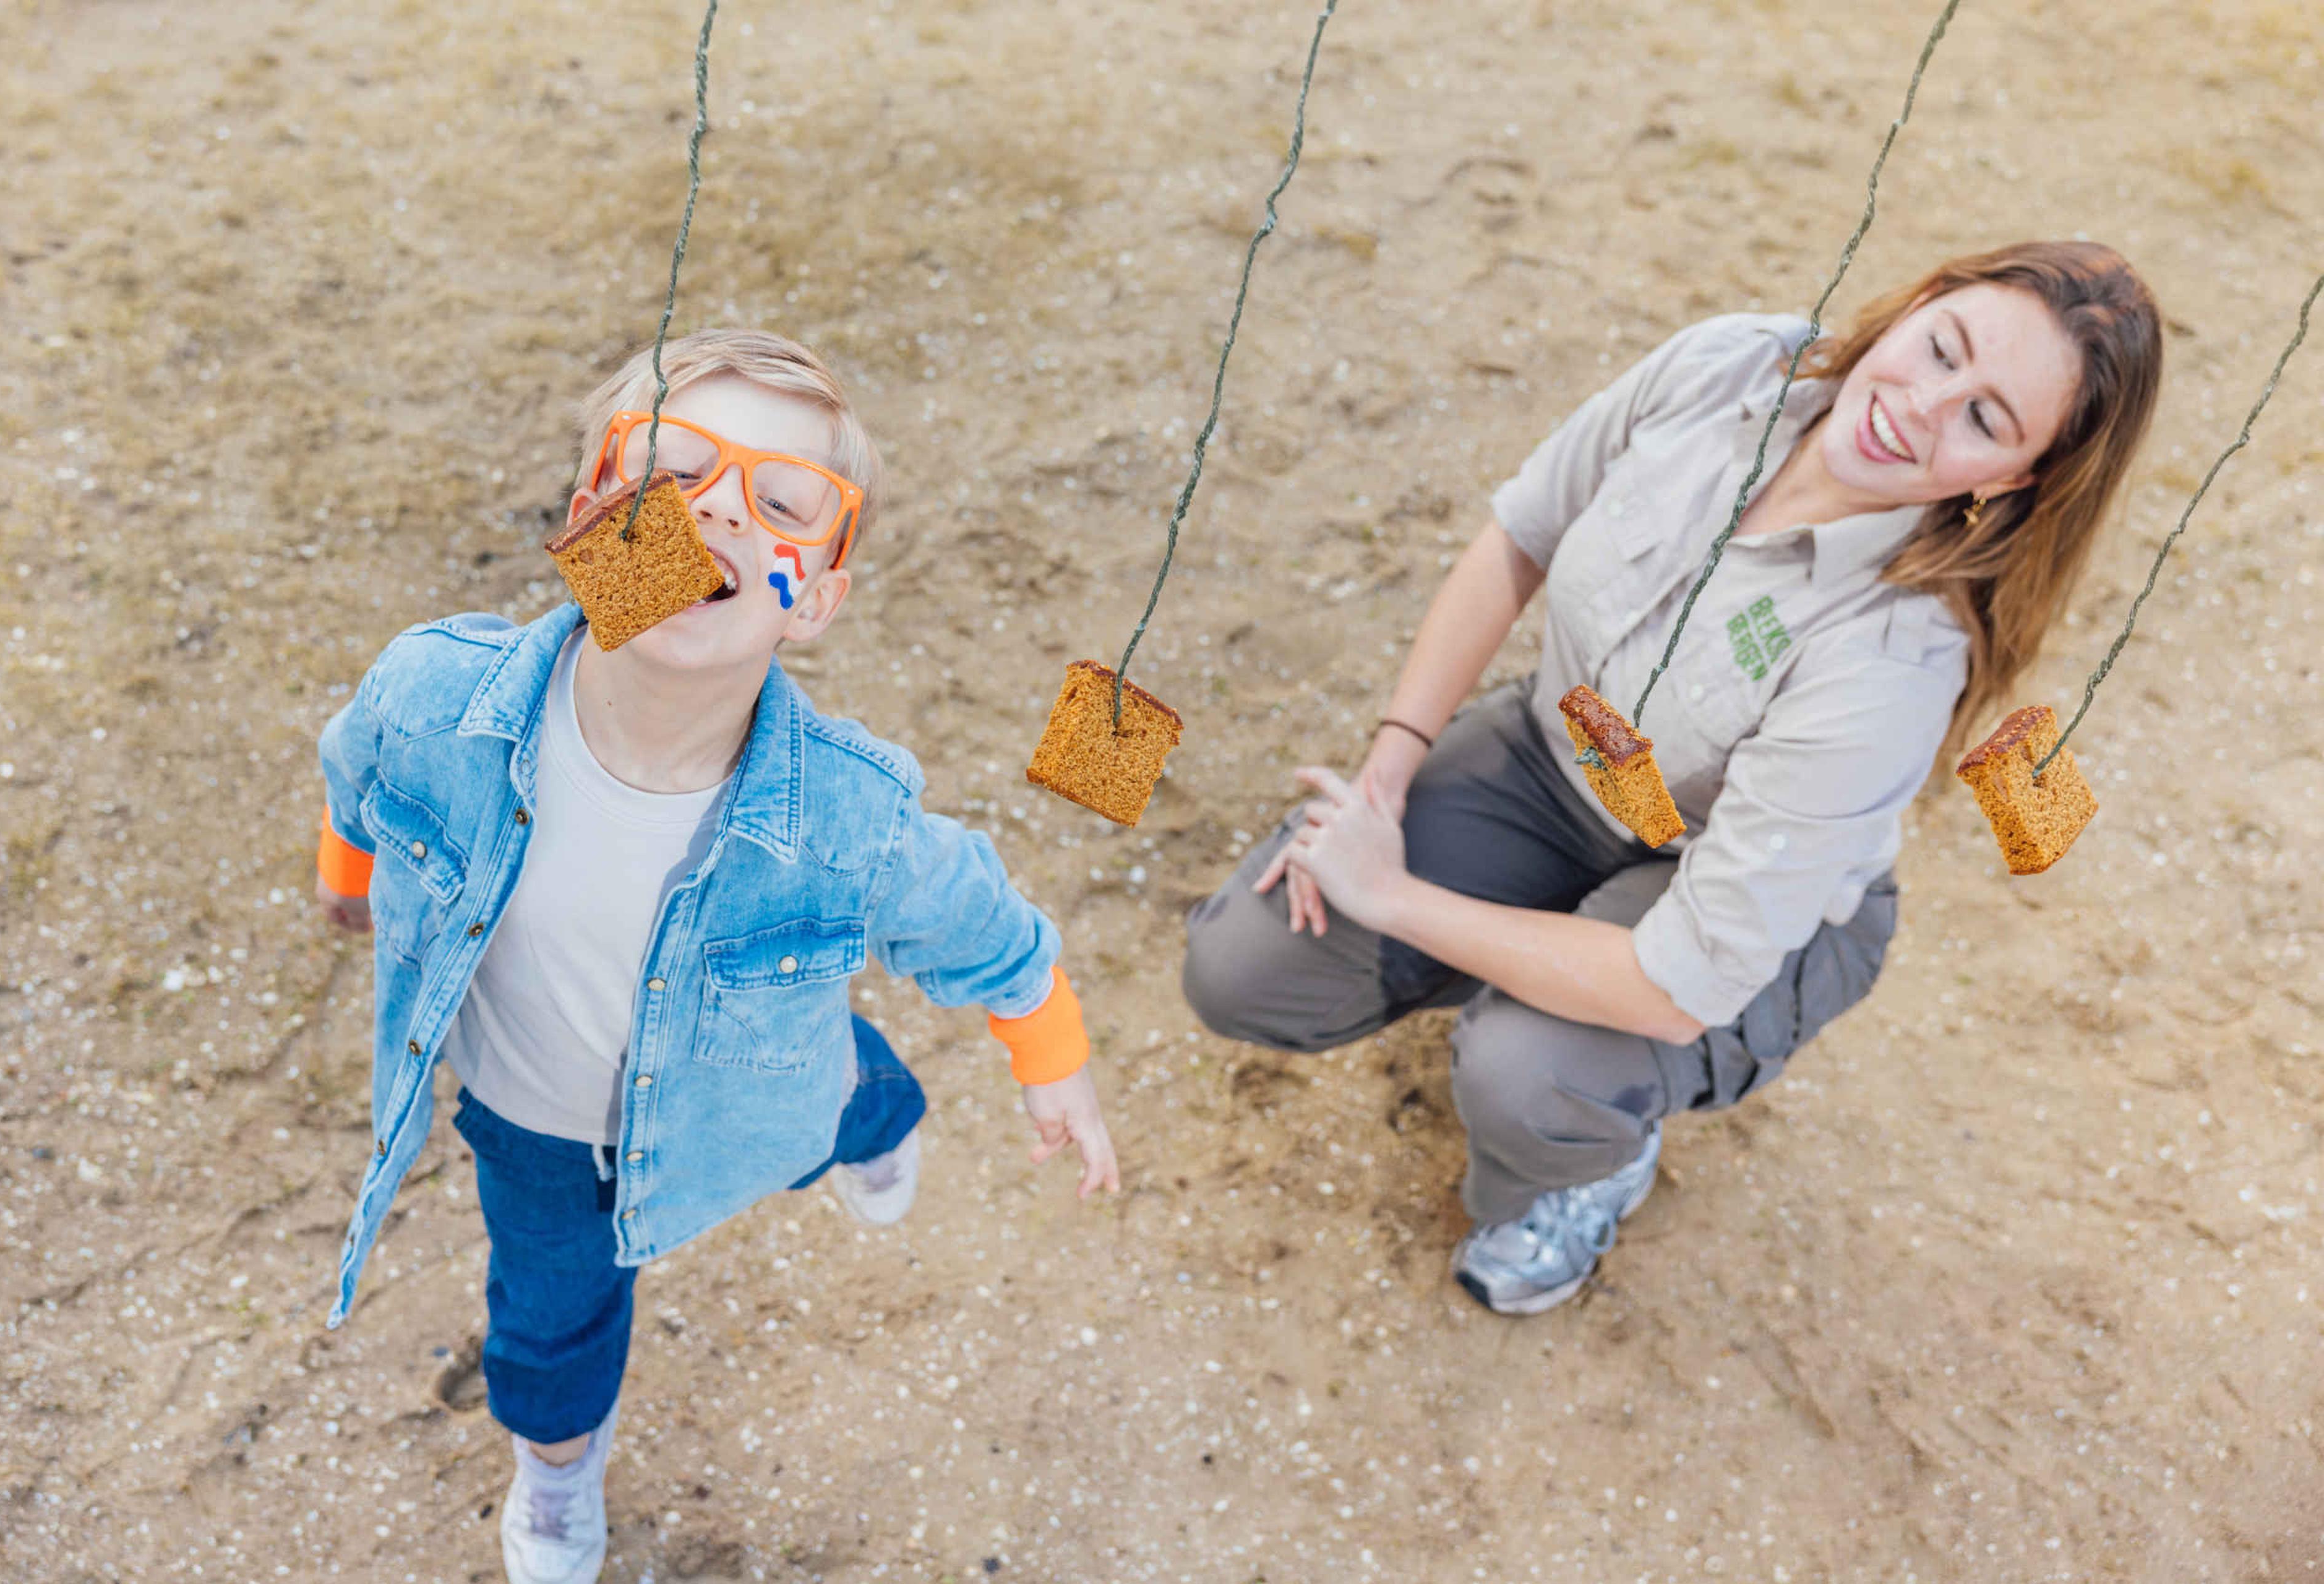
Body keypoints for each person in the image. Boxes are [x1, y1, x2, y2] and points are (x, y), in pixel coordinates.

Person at [1182, 241, 2161, 1317]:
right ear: (1919, 303)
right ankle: (1533, 951)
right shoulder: (1730, 366)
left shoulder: (1899, 654)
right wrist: (1390, 771)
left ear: (2015, 478)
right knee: (1244, 967)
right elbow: (1524, 532)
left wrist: (1397, 895)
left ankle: (1588, 1148)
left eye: (1985, 418)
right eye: (1942, 348)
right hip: (1553, 765)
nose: (1922, 406)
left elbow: (1677, 979)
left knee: (1528, 1073)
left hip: (1721, 902)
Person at [312, 329, 1120, 1584]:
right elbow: (360, 766)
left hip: (753, 1084)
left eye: (782, 501)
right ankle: (559, 1466)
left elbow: (981, 922)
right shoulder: (434, 694)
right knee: (547, 1324)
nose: (715, 511)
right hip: (532, 1118)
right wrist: (347, 874)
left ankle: (874, 1113)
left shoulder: (850, 821)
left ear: (821, 595)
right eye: (670, 469)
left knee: (832, 1092)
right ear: (592, 513)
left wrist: (1051, 1050)